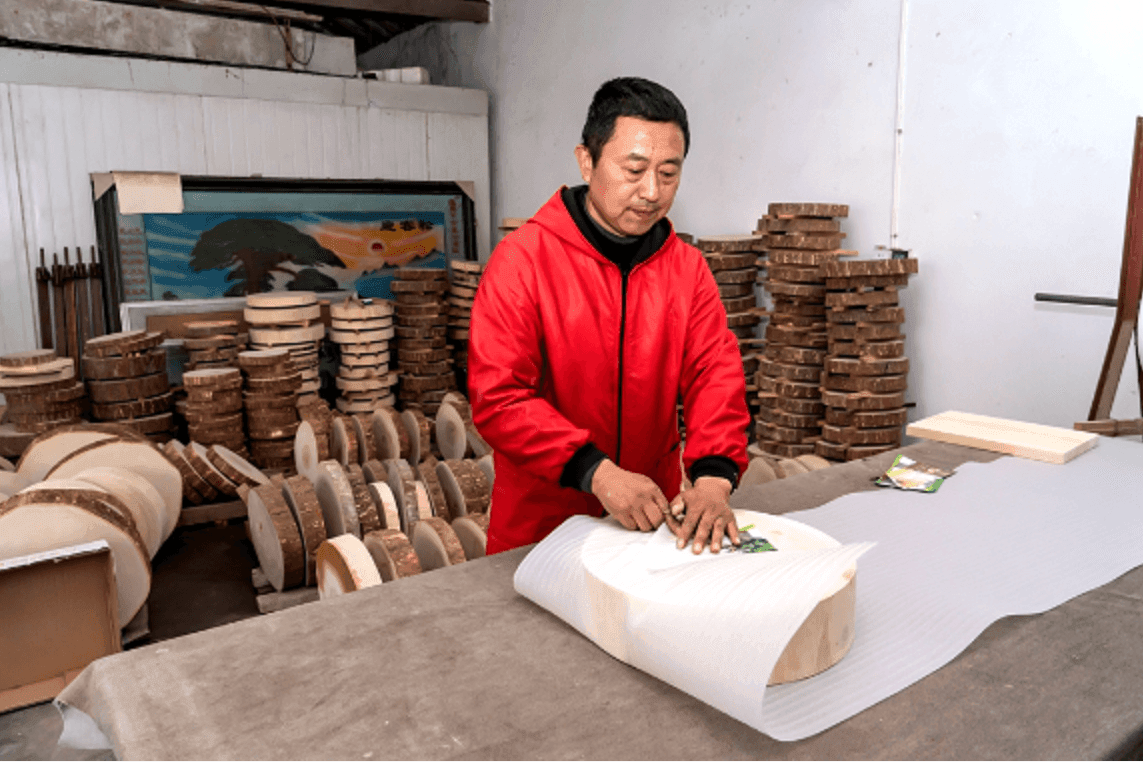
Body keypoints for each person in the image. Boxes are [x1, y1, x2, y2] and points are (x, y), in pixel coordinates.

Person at [468, 76, 750, 556]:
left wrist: (713, 479)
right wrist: (596, 473)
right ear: (587, 160)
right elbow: (500, 398)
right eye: (634, 169)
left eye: (668, 173)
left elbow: (714, 375)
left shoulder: (686, 269)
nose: (651, 191)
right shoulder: (524, 261)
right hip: (542, 525)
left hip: (649, 520)